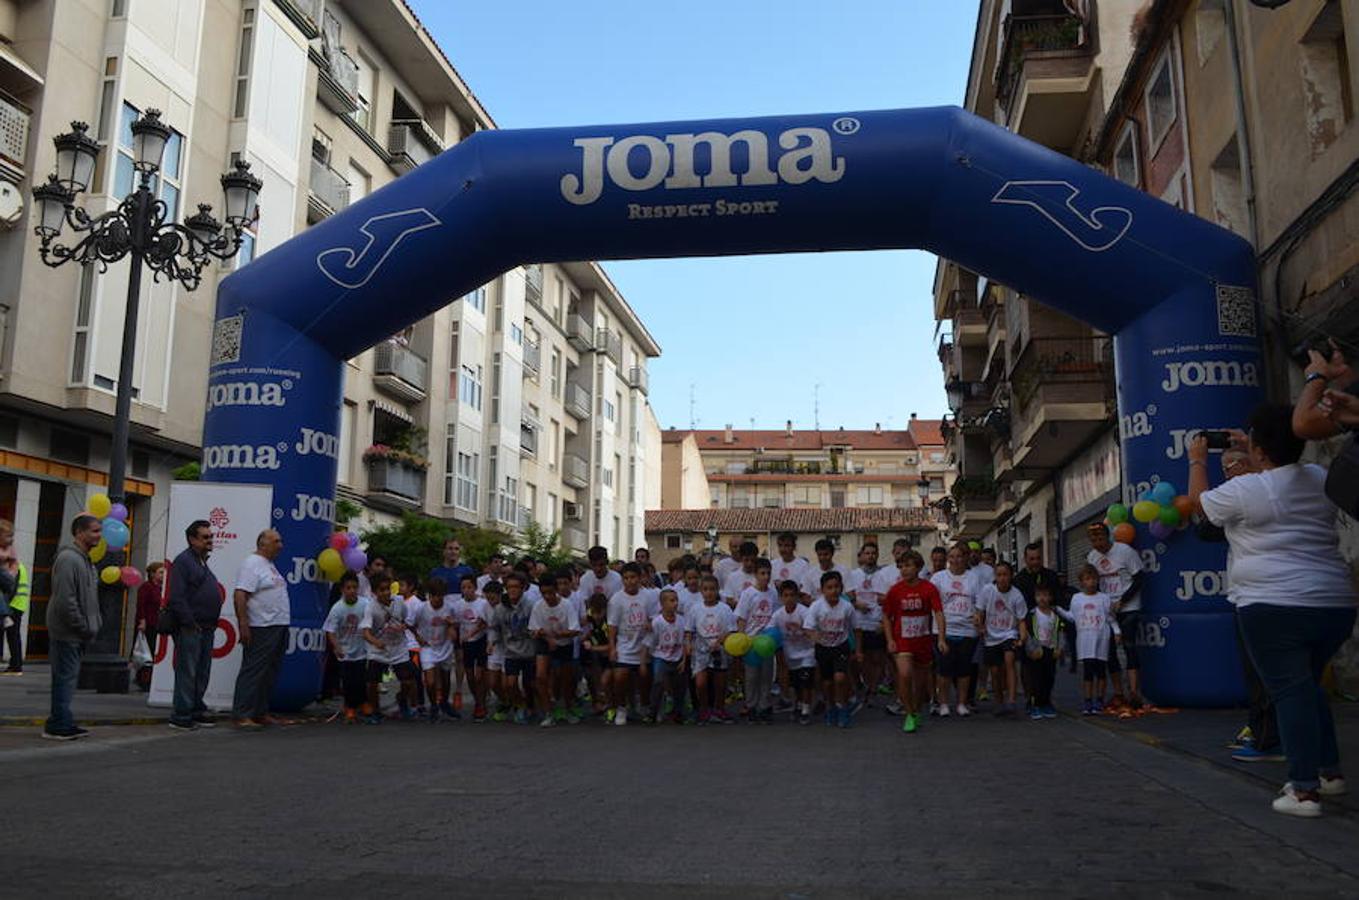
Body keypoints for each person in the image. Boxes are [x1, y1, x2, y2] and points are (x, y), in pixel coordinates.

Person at [1191, 404, 1358, 818]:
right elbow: (1283, 470)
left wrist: (1197, 460)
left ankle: (1303, 791)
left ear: (1260, 450)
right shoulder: (1319, 476)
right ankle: (1327, 772)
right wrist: (1259, 447)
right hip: (1334, 602)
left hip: (1273, 603)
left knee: (1290, 690)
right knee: (1306, 685)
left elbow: (1199, 503)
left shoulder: (1247, 489)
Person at [42, 514, 101, 741]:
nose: (99, 535)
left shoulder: (85, 560)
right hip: (68, 632)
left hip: (77, 632)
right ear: (79, 533)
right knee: (64, 679)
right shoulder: (69, 559)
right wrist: (83, 626)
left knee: (67, 679)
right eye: (94, 531)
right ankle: (58, 725)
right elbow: (66, 600)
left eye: (99, 531)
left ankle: (60, 720)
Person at [167, 519, 224, 730]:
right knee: (188, 671)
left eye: (211, 536)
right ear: (192, 539)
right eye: (205, 537)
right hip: (192, 627)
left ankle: (195, 709)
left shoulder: (201, 561)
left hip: (206, 626)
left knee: (201, 671)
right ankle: (181, 714)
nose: (210, 540)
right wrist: (189, 622)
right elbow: (177, 596)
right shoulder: (183, 561)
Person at [231, 529, 290, 730]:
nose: (280, 545)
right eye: (276, 541)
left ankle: (260, 711)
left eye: (280, 541)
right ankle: (242, 713)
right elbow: (240, 595)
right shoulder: (252, 563)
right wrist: (243, 624)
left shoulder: (270, 565)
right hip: (261, 626)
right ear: (263, 543)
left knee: (269, 672)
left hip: (277, 625)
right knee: (253, 670)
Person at [882, 550, 945, 734]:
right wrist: (890, 640)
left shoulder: (929, 588)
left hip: (923, 641)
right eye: (902, 566)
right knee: (905, 674)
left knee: (921, 685)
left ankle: (916, 709)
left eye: (909, 565)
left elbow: (939, 613)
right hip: (903, 641)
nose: (904, 570)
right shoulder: (895, 590)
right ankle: (909, 713)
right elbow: (886, 616)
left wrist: (941, 638)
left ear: (918, 567)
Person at [1086, 522, 1145, 709]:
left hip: (1129, 608)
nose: (1098, 543)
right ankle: (1119, 693)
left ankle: (1134, 692)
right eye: (1093, 540)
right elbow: (1090, 582)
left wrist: (1124, 600)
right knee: (1109, 652)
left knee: (1129, 647)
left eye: (1100, 538)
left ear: (1108, 536)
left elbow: (1140, 578)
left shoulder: (1125, 551)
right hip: (1107, 611)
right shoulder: (1092, 557)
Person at [1057, 564, 1120, 716]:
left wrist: (1117, 632)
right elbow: (1072, 616)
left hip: (1101, 638)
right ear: (1081, 582)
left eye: (1093, 578)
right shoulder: (1077, 598)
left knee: (1101, 670)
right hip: (1085, 639)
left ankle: (1099, 699)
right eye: (1087, 579)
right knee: (1088, 671)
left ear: (1097, 580)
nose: (1090, 582)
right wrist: (1058, 610)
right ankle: (1087, 700)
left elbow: (1110, 618)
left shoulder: (1104, 598)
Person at [932, 543, 983, 718]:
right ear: (948, 559)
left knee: (964, 670)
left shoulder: (974, 577)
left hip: (968, 630)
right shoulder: (938, 578)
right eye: (952, 556)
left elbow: (979, 602)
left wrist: (978, 615)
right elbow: (934, 604)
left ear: (965, 558)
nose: (955, 560)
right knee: (943, 670)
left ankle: (962, 703)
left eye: (959, 556)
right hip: (944, 629)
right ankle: (944, 703)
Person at [359, 573, 417, 722]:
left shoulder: (399, 602)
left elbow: (406, 620)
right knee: (372, 682)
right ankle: (376, 711)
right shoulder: (370, 607)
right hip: (378, 649)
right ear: (374, 592)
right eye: (381, 590)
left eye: (387, 589)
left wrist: (412, 632)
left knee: (408, 681)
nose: (385, 593)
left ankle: (402, 699)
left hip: (398, 647)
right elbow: (365, 632)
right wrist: (375, 642)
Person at [806, 571, 857, 728]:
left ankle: (843, 706)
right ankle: (831, 707)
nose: (833, 590)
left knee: (840, 678)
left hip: (841, 646)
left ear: (841, 588)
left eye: (836, 587)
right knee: (827, 683)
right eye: (829, 587)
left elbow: (855, 629)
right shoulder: (816, 607)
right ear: (822, 590)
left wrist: (857, 649)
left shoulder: (847, 607)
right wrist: (815, 637)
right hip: (823, 648)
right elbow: (808, 628)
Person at [606, 562, 655, 726]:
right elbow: (612, 625)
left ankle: (644, 705)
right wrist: (612, 647)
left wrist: (650, 623)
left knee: (644, 676)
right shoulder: (616, 599)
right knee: (620, 677)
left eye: (633, 577)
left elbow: (654, 618)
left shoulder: (648, 597)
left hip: (643, 646)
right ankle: (621, 708)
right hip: (624, 646)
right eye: (626, 578)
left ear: (640, 578)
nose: (630, 581)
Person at [977, 561, 1027, 717]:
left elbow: (1021, 620)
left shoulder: (1016, 595)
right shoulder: (987, 591)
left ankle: (1011, 700)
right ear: (995, 577)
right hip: (991, 636)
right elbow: (979, 612)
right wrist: (980, 625)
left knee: (1009, 661)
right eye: (999, 575)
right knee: (995, 671)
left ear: (1011, 576)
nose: (1002, 578)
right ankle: (999, 701)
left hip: (1008, 634)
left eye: (1005, 574)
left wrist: (1022, 637)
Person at [529, 577, 581, 726]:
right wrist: (546, 636)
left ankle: (568, 707)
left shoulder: (567, 605)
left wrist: (559, 635)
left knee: (565, 679)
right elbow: (533, 629)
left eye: (550, 593)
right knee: (540, 676)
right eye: (543, 593)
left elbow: (575, 630)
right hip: (545, 642)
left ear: (556, 591)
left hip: (564, 644)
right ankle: (548, 711)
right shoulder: (538, 606)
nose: (547, 597)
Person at [847, 542, 892, 710]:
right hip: (858, 623)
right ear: (862, 555)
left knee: (877, 659)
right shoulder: (853, 574)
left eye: (874, 553)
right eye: (867, 553)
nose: (870, 556)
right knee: (857, 658)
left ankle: (872, 690)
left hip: (877, 622)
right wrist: (856, 603)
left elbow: (887, 598)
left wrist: (883, 621)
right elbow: (848, 594)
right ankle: (860, 685)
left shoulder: (884, 575)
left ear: (878, 555)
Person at [687, 573, 735, 725]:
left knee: (720, 682)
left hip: (719, 649)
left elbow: (731, 629)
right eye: (706, 589)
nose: (709, 592)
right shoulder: (695, 609)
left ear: (717, 590)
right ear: (701, 591)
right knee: (701, 682)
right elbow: (689, 630)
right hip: (701, 650)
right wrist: (688, 644)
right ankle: (703, 710)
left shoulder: (725, 609)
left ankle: (719, 709)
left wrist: (720, 640)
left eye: (712, 589)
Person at [734, 557, 778, 722]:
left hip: (766, 640)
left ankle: (764, 705)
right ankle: (751, 705)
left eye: (768, 573)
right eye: (762, 573)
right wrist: (741, 638)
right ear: (755, 574)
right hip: (751, 641)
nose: (766, 577)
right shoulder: (748, 593)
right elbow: (741, 617)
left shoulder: (773, 593)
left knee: (767, 675)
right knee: (752, 676)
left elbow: (775, 614)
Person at [323, 572, 369, 723]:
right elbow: (330, 630)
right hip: (345, 652)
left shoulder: (365, 604)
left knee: (360, 679)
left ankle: (362, 703)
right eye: (348, 588)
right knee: (348, 681)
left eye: (355, 587)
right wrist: (336, 647)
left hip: (362, 650)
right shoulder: (337, 608)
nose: (352, 591)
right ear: (342, 589)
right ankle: (349, 708)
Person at [495, 572, 538, 724]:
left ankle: (532, 706)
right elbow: (495, 628)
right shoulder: (501, 608)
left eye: (516, 587)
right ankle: (520, 705)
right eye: (509, 587)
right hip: (511, 651)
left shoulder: (531, 605)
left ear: (523, 588)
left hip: (528, 650)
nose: (512, 590)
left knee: (530, 683)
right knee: (510, 684)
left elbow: (536, 625)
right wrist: (492, 642)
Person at [411, 579, 457, 723]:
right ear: (429, 595)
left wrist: (450, 626)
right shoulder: (421, 609)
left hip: (445, 646)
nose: (438, 599)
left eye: (441, 596)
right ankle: (434, 705)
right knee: (430, 681)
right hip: (428, 648)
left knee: (445, 678)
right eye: (435, 595)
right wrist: (418, 638)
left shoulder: (449, 608)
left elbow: (454, 631)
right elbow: (411, 625)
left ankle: (444, 702)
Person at [771, 579, 816, 725]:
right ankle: (797, 705)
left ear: (797, 596)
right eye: (786, 595)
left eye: (792, 595)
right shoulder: (777, 615)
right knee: (796, 684)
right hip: (790, 655)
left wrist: (801, 630)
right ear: (781, 598)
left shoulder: (804, 612)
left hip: (807, 653)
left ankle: (806, 710)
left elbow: (812, 631)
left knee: (806, 683)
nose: (789, 598)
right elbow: (771, 632)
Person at [452, 574, 492, 721]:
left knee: (480, 674)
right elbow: (455, 624)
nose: (466, 590)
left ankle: (481, 705)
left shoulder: (483, 603)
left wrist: (472, 633)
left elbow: (484, 623)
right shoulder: (458, 605)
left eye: (469, 587)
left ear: (475, 588)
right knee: (469, 675)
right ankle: (478, 700)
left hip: (480, 640)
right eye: (463, 587)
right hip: (466, 643)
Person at [648, 589, 690, 724]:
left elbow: (685, 641)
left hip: (677, 657)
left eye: (676, 600)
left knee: (680, 685)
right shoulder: (657, 622)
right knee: (658, 681)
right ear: (662, 603)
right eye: (671, 600)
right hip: (660, 657)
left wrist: (684, 660)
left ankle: (678, 712)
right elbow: (651, 642)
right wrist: (646, 660)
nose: (675, 603)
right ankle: (652, 712)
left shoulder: (682, 621)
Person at [1024, 584, 1063, 720]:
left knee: (1049, 678)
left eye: (1045, 595)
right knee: (1036, 679)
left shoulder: (1055, 616)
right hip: (1037, 651)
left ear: (1050, 597)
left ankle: (1046, 702)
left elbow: (1060, 632)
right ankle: (1034, 704)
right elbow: (1028, 633)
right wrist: (1032, 649)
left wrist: (1059, 648)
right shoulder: (1032, 615)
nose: (1042, 598)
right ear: (1035, 598)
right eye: (1039, 595)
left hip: (1050, 651)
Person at [0, 520, 30, 676]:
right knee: (13, 635)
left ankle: (16, 665)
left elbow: (10, 588)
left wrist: (6, 607)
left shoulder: (13, 567)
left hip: (13, 605)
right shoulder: (13, 564)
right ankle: (15, 664)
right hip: (16, 605)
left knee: (12, 636)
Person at [581, 593, 613, 715]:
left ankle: (612, 705)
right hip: (599, 658)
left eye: (599, 613)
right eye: (593, 612)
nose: (596, 616)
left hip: (610, 657)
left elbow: (610, 646)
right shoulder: (589, 616)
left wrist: (593, 648)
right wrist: (585, 637)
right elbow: (590, 629)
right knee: (597, 681)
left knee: (605, 682)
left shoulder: (608, 623)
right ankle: (605, 704)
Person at [132, 561, 165, 679]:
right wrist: (142, 620)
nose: (163, 575)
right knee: (146, 652)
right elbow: (141, 605)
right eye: (160, 572)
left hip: (157, 624)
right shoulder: (146, 587)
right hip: (147, 624)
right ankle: (143, 678)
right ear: (152, 574)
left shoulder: (162, 588)